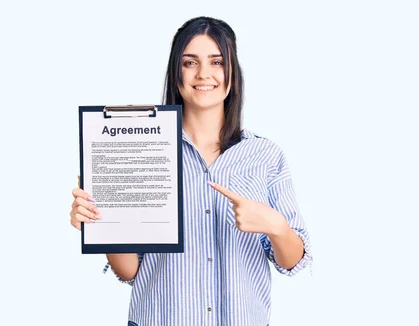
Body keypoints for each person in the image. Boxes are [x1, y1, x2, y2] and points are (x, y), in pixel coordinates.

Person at [69, 16, 312, 326]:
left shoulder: (265, 156)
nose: (204, 74)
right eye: (189, 63)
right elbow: (130, 271)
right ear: (176, 74)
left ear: (232, 75)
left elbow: (293, 263)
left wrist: (275, 226)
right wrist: (103, 222)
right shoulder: (143, 150)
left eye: (217, 62)